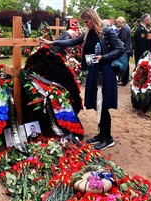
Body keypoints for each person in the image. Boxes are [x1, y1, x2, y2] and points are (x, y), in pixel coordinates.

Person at [40, 8, 124, 150]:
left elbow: (120, 48)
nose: (86, 24)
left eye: (87, 21)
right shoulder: (88, 33)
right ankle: (101, 134)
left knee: (102, 104)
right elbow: (72, 42)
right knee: (97, 104)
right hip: (94, 70)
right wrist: (52, 42)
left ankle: (108, 138)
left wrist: (104, 57)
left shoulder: (107, 31)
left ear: (93, 18)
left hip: (104, 71)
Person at [116, 16, 133, 86]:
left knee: (124, 65)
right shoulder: (127, 27)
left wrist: (117, 42)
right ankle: (125, 80)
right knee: (126, 64)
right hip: (128, 49)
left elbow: (123, 39)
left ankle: (124, 80)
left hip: (125, 49)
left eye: (118, 22)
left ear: (120, 22)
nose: (117, 24)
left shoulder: (124, 28)